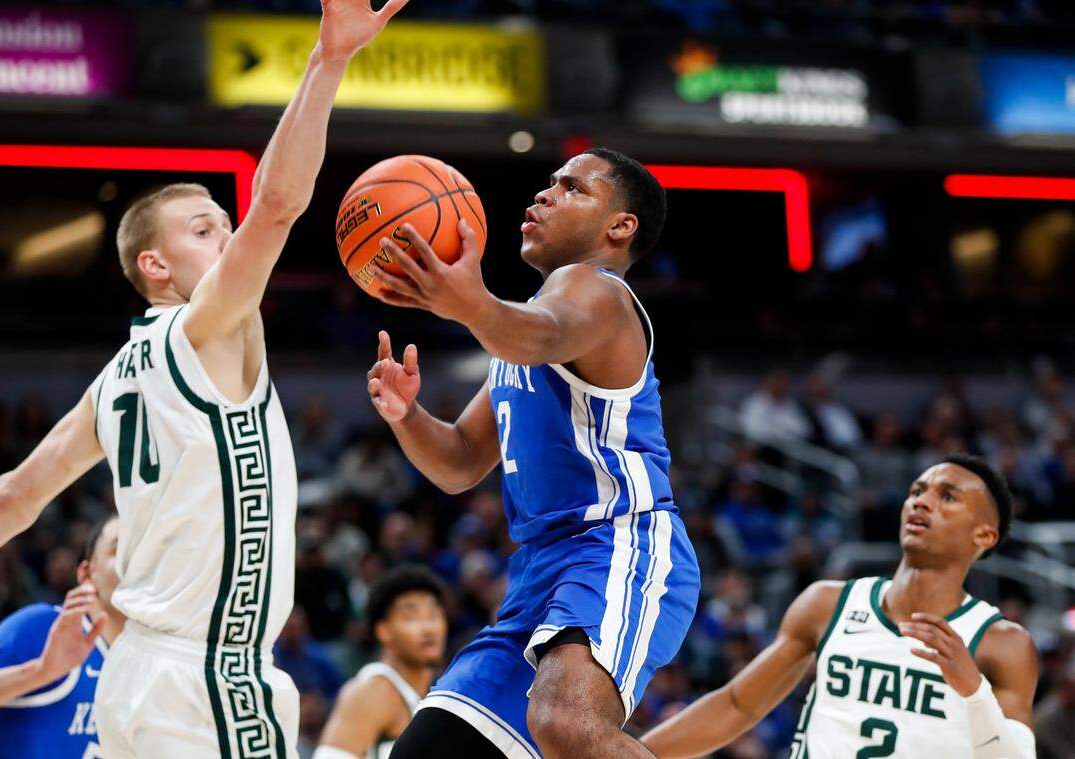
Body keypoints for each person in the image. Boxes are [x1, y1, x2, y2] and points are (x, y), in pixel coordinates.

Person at [0, 1, 409, 756]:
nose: (228, 235)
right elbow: (280, 204)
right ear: (154, 267)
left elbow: (14, 496)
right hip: (207, 677)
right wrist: (329, 62)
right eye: (203, 229)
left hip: (137, 675)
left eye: (225, 222)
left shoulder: (119, 375)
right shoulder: (203, 326)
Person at [366, 148, 700, 758]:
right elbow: (461, 461)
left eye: (573, 188)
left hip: (619, 544)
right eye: (549, 183)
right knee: (429, 751)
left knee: (566, 723)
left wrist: (465, 301)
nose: (545, 194)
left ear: (619, 227)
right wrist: (406, 415)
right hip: (540, 572)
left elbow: (543, 333)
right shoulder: (516, 338)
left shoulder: (598, 293)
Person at [642, 453, 1039, 759]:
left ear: (985, 534)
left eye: (947, 496)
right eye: (917, 491)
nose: (922, 502)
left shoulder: (1001, 643)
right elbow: (736, 705)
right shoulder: (828, 603)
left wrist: (974, 693)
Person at [0, 517, 123, 757]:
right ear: (87, 573)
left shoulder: (151, 667)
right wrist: (37, 672)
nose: (134, 561)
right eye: (119, 549)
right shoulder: (44, 626)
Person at [316, 566, 447, 758]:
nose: (428, 628)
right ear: (383, 631)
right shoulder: (372, 692)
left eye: (433, 615)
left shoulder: (439, 691)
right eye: (411, 618)